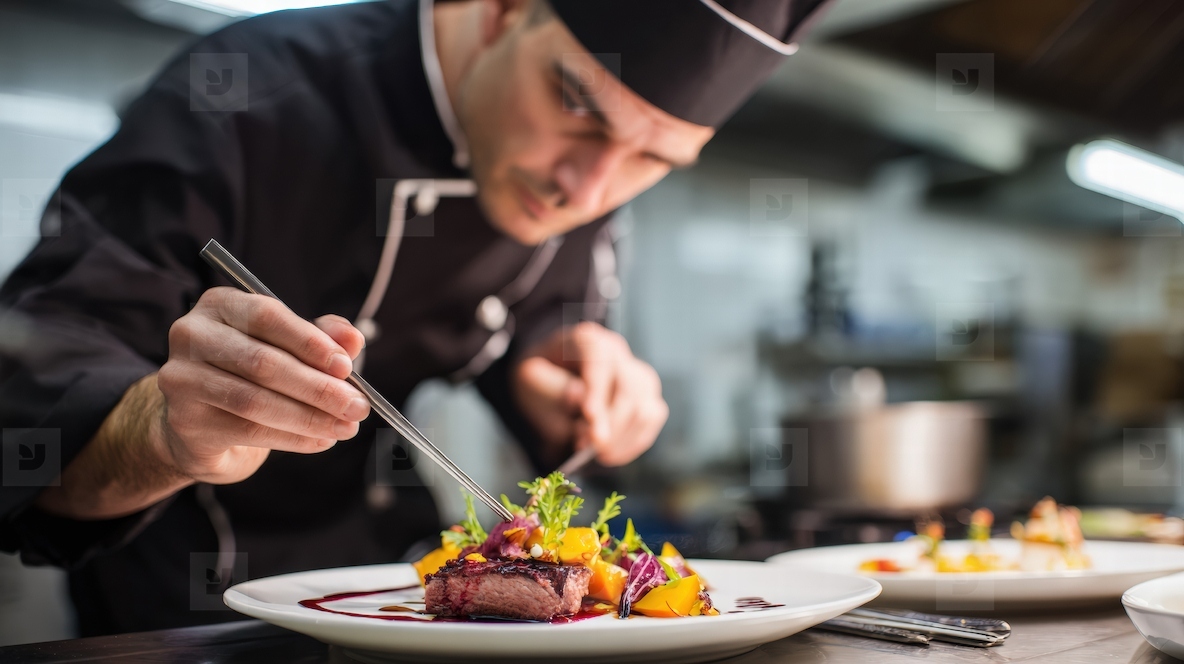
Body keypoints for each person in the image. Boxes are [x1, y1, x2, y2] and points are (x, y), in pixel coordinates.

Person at [0, 0, 829, 635]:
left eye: (652, 157)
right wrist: (163, 430)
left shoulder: (582, 181)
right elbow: (30, 405)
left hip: (401, 599)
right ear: (501, 10)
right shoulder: (243, 89)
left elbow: (529, 323)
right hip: (183, 615)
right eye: (576, 102)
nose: (588, 188)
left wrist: (559, 374)